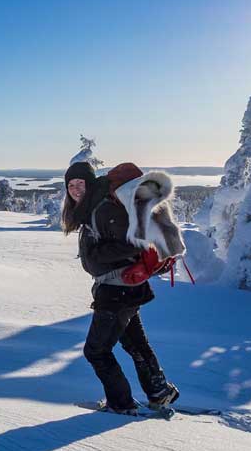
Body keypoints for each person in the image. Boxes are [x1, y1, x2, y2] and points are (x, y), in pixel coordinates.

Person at [62, 161, 179, 415]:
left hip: (117, 290)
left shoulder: (102, 209)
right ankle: (159, 392)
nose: (75, 189)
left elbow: (134, 243)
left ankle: (121, 403)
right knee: (134, 343)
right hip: (124, 287)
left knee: (96, 351)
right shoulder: (94, 206)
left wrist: (96, 255)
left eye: (80, 183)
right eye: (70, 185)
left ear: (90, 183)